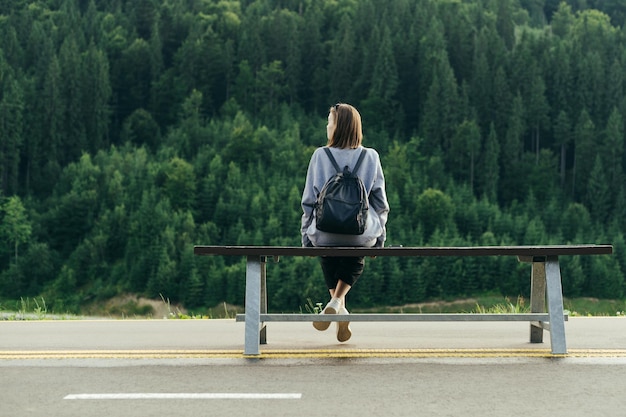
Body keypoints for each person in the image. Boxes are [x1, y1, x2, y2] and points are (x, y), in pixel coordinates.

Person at [301, 103, 389, 342]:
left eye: (329, 121)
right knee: (357, 251)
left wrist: (306, 237)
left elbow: (309, 201)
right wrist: (379, 238)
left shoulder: (320, 155)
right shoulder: (371, 156)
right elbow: (380, 203)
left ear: (338, 126)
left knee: (326, 247)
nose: (326, 126)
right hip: (360, 234)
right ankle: (338, 302)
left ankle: (338, 306)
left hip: (324, 232)